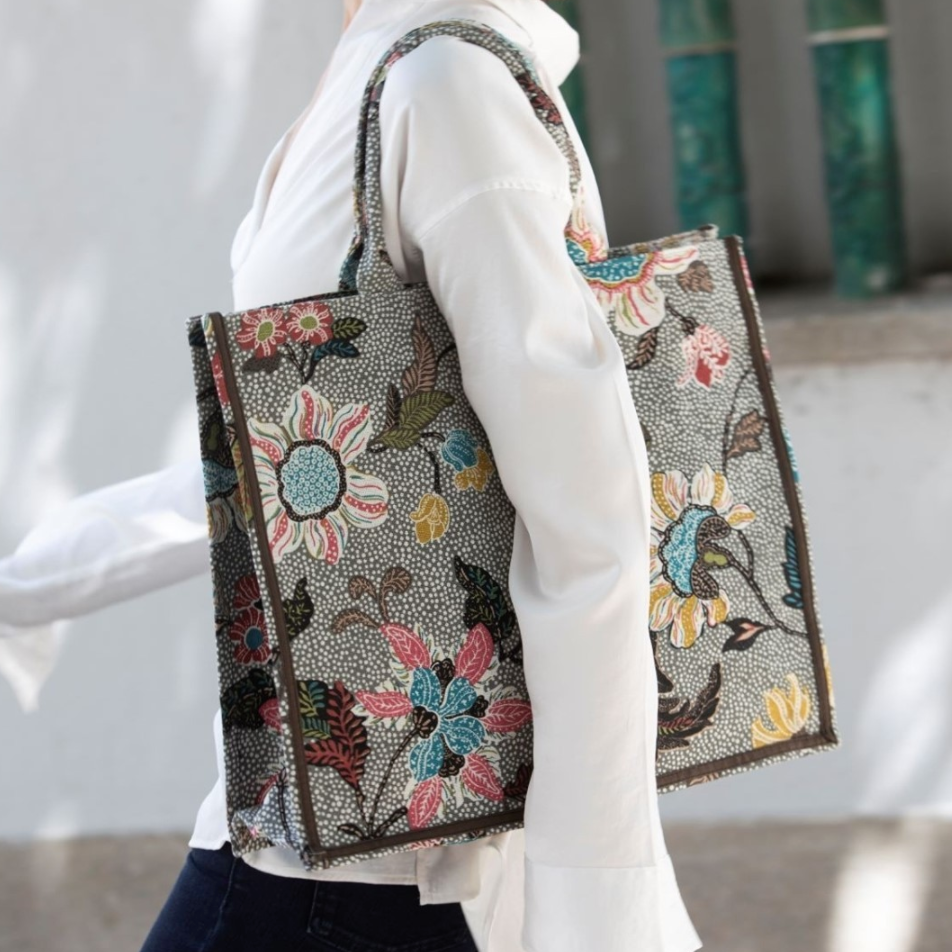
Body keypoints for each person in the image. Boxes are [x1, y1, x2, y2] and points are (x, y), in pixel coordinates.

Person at [0, 1, 704, 950]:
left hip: (359, 865)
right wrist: (29, 586)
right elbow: (297, 469)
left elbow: (589, 514)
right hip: (303, 827)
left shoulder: (445, 84)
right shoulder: (372, 65)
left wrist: (597, 917)